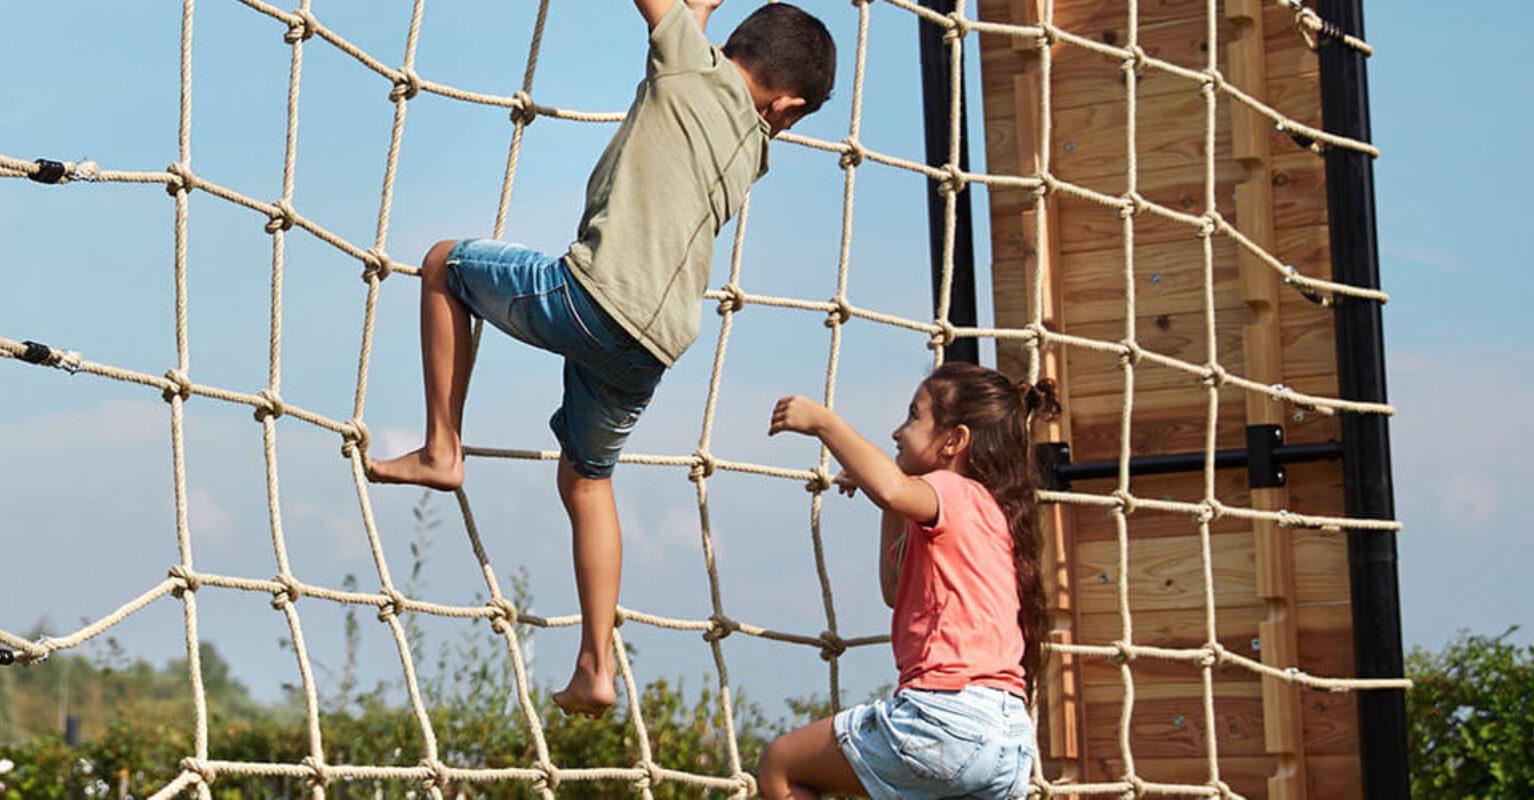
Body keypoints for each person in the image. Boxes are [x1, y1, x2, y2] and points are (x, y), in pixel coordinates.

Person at [366, 0, 836, 718]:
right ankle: (595, 666)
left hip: (589, 299)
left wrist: (692, 12)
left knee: (441, 265)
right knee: (587, 480)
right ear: (788, 105)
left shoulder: (688, 62)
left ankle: (442, 447)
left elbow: (674, 32)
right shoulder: (756, 150)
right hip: (654, 346)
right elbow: (704, 83)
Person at [759, 362, 1056, 799]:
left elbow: (893, 488)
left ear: (954, 441)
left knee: (781, 765)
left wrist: (825, 424)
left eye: (913, 416)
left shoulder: (955, 491)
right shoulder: (997, 515)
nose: (898, 432)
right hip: (1009, 743)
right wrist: (889, 506)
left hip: (946, 721)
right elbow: (894, 590)